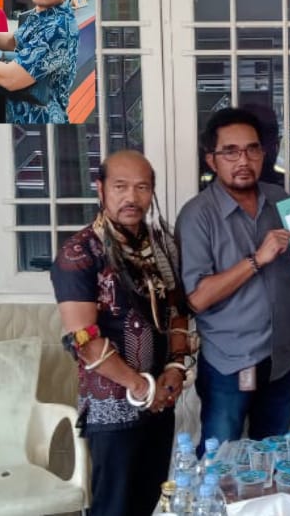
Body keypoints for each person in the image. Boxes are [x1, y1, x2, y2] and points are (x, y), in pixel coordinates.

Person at [50, 150, 194, 516]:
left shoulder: (161, 246)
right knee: (113, 506)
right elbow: (83, 340)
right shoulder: (80, 252)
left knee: (150, 500)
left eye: (142, 187)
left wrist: (176, 368)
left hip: (160, 399)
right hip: (112, 406)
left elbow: (178, 310)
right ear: (100, 188)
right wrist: (140, 387)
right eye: (120, 187)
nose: (132, 197)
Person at [176, 109, 290, 453]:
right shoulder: (197, 215)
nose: (243, 160)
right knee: (220, 460)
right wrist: (256, 259)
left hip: (283, 358)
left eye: (252, 149)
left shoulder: (280, 202)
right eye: (230, 152)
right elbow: (197, 298)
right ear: (212, 160)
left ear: (264, 153)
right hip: (229, 363)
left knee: (274, 457)